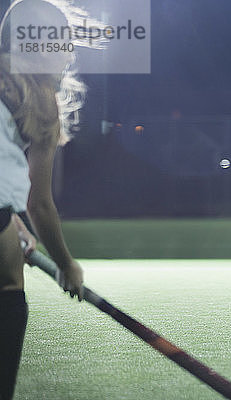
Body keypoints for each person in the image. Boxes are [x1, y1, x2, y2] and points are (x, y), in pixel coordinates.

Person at [0, 0, 96, 397]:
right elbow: (41, 203)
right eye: (64, 42)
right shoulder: (40, 98)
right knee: (8, 284)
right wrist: (66, 263)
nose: (69, 53)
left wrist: (11, 219)